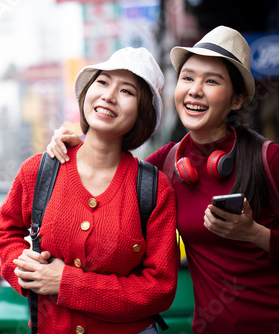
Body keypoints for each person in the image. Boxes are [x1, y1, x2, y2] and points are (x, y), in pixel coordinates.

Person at [47, 26, 279, 334]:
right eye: (188, 77)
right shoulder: (166, 165)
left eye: (211, 81)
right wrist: (72, 143)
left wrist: (254, 234)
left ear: (236, 100)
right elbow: (109, 171)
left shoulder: (269, 159)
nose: (195, 90)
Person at [0, 47, 178, 334]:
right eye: (102, 82)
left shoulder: (153, 188)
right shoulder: (40, 171)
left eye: (127, 91)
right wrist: (26, 269)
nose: (109, 96)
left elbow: (160, 289)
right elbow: (3, 230)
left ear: (142, 113)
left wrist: (66, 283)